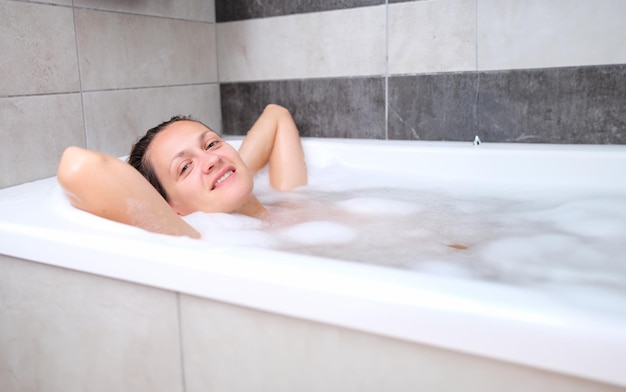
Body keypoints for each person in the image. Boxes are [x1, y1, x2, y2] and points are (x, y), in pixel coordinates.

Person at [57, 104, 308, 239]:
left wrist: (228, 169)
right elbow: (77, 167)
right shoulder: (194, 238)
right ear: (172, 206)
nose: (210, 159)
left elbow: (276, 114)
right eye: (185, 167)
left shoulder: (291, 198)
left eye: (211, 143)